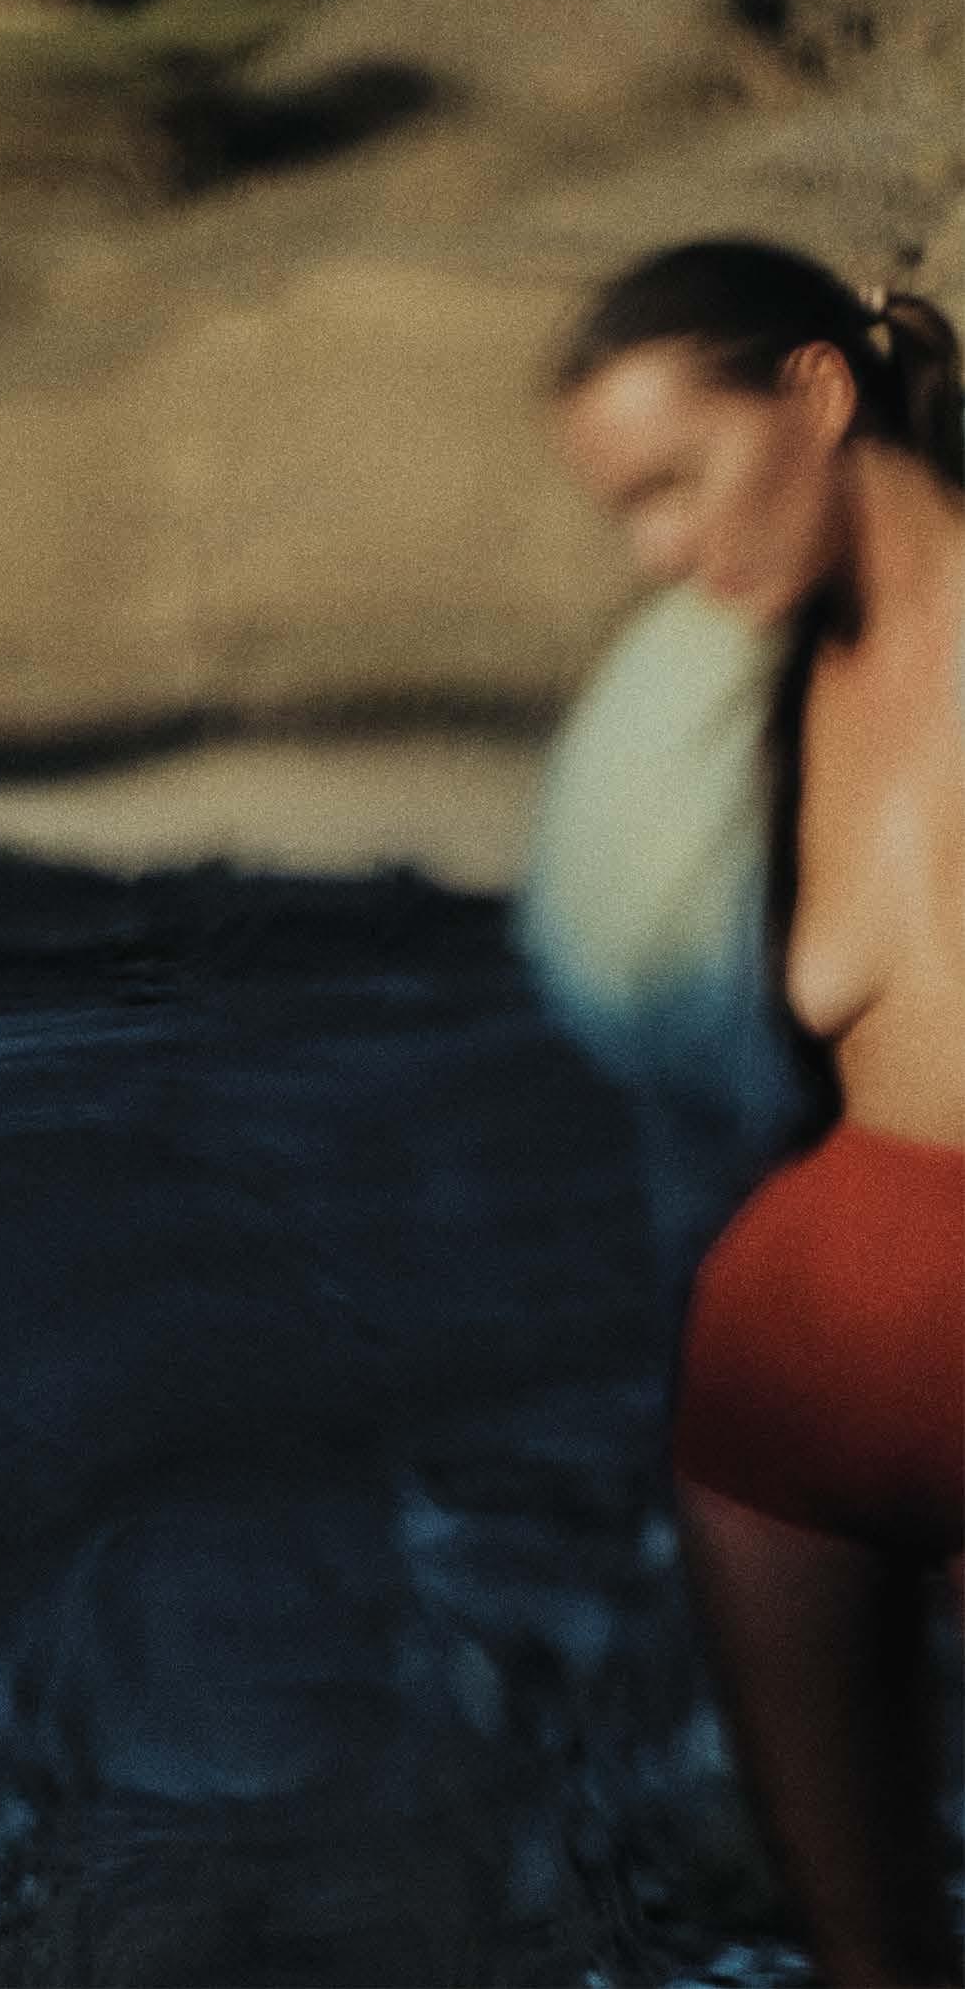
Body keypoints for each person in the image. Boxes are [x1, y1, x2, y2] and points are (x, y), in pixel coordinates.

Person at [544, 237, 964, 1988]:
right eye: (624, 511)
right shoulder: (736, 710)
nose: (660, 549)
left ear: (817, 390)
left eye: (679, 479)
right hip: (778, 1418)